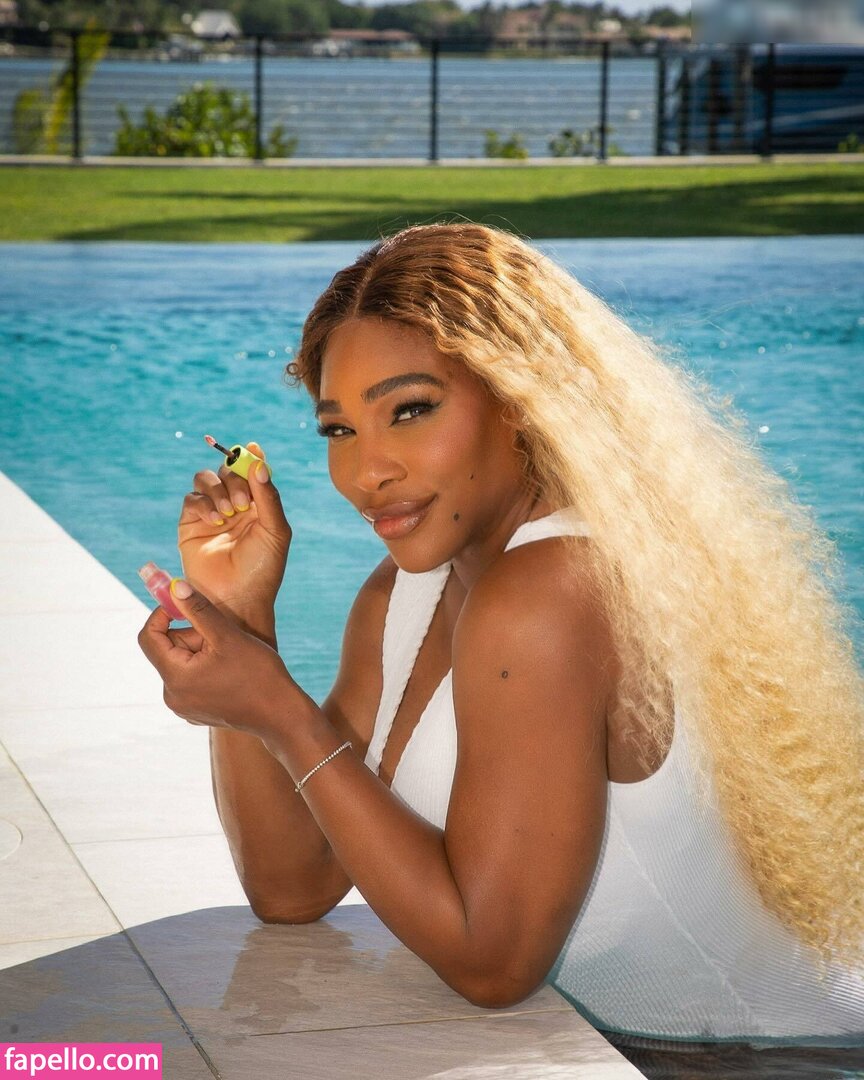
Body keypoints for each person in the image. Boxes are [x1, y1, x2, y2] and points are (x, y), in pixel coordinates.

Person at [139, 222, 864, 1042]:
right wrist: (240, 619)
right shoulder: (408, 593)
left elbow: (493, 964)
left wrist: (278, 711)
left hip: (780, 1057)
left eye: (411, 410)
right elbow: (292, 885)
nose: (368, 472)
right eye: (339, 429)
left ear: (520, 401)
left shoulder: (555, 591)